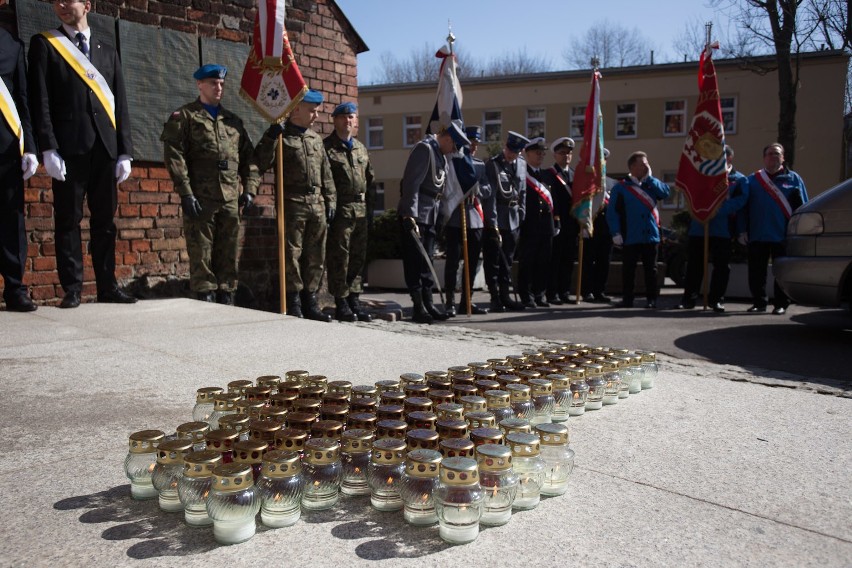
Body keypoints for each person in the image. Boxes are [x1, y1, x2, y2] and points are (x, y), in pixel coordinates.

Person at [28, 0, 136, 308]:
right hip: (68, 147)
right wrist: (47, 147)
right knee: (68, 220)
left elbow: (121, 102)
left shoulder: (106, 49)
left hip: (105, 147)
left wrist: (125, 151)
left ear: (87, 5)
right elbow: (41, 99)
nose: (61, 5)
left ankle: (107, 286)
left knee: (104, 221)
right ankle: (72, 288)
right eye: (55, 1)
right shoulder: (45, 44)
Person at [160, 64, 259, 306]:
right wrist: (185, 193)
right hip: (201, 199)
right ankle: (205, 299)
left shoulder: (233, 122)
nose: (218, 88)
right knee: (201, 255)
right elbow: (174, 156)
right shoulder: (185, 117)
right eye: (213, 83)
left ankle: (227, 298)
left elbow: (250, 160)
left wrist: (250, 189)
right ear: (199, 84)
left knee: (227, 255)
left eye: (222, 84)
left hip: (230, 200)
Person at [255, 89, 335, 322]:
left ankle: (311, 300)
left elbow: (326, 174)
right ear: (296, 109)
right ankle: (294, 301)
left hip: (317, 203)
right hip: (293, 203)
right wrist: (271, 137)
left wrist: (330, 200)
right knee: (292, 254)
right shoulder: (282, 136)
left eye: (317, 111)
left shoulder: (315, 139)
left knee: (316, 254)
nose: (316, 116)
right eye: (312, 110)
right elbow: (260, 161)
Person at [398, 123, 469, 324]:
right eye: (454, 146)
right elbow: (411, 184)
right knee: (415, 262)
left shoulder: (440, 155)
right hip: (417, 215)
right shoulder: (425, 149)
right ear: (447, 138)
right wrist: (409, 215)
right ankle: (418, 306)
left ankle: (428, 304)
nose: (453, 151)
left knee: (426, 261)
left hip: (431, 215)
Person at [737, 143, 808, 315]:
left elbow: (804, 206)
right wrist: (741, 230)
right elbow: (742, 207)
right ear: (764, 158)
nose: (773, 157)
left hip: (783, 234)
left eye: (777, 154)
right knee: (756, 272)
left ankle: (781, 304)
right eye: (770, 154)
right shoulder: (752, 180)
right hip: (757, 233)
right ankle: (759, 302)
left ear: (783, 157)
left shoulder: (794, 179)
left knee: (781, 272)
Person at [0, 4, 39, 312]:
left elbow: (23, 100)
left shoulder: (12, 45)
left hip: (5, 148)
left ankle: (15, 288)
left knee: (11, 220)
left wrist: (30, 148)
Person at [677, 145, 747, 313]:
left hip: (722, 229)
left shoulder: (739, 179)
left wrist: (715, 210)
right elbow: (691, 195)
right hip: (699, 227)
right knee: (694, 265)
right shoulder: (702, 176)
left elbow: (741, 200)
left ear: (729, 158)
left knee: (721, 267)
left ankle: (716, 300)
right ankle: (689, 300)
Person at [324, 101, 374, 322]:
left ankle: (355, 299)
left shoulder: (361, 148)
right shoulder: (327, 147)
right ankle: (341, 301)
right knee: (340, 257)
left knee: (357, 257)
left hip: (361, 210)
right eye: (343, 117)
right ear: (334, 120)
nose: (348, 121)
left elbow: (370, 179)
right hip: (341, 209)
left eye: (352, 117)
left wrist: (370, 208)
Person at [606, 151, 670, 309]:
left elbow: (665, 193)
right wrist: (616, 233)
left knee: (651, 269)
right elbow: (612, 212)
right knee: (629, 269)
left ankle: (652, 299)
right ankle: (627, 299)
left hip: (650, 234)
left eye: (647, 163)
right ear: (633, 167)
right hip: (630, 234)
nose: (646, 166)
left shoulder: (651, 184)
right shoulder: (620, 187)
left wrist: (650, 178)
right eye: (643, 164)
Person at [443, 125, 491, 316]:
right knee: (453, 262)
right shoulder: (453, 162)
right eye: (470, 142)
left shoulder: (479, 164)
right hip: (455, 216)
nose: (474, 146)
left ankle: (467, 301)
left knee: (471, 263)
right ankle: (450, 302)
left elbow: (488, 188)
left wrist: (478, 189)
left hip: (474, 217)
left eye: (476, 143)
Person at [482, 131, 529, 312]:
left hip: (513, 219)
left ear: (520, 152)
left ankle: (505, 296)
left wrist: (522, 213)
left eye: (515, 152)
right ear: (505, 146)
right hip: (498, 219)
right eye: (509, 149)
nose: (511, 154)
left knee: (507, 261)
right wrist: (492, 223)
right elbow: (491, 197)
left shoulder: (522, 165)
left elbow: (522, 192)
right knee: (493, 261)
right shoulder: (493, 165)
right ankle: (495, 298)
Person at [517, 137, 556, 308]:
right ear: (527, 153)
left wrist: (557, 222)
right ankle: (527, 295)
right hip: (529, 224)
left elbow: (555, 203)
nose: (540, 156)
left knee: (544, 262)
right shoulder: (522, 173)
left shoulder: (547, 175)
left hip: (546, 226)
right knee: (527, 262)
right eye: (537, 153)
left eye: (542, 153)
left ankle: (540, 294)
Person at [545, 136, 578, 304]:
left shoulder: (574, 174)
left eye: (569, 153)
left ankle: (565, 291)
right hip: (556, 223)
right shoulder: (549, 175)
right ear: (555, 155)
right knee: (555, 260)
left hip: (572, 224)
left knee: (568, 260)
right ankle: (552, 293)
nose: (566, 156)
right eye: (562, 153)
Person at [581, 148, 614, 303]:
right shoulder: (586, 182)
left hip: (606, 229)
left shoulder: (611, 183)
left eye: (604, 161)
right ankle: (586, 291)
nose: (601, 164)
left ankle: (600, 290)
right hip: (590, 227)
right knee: (588, 261)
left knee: (604, 262)